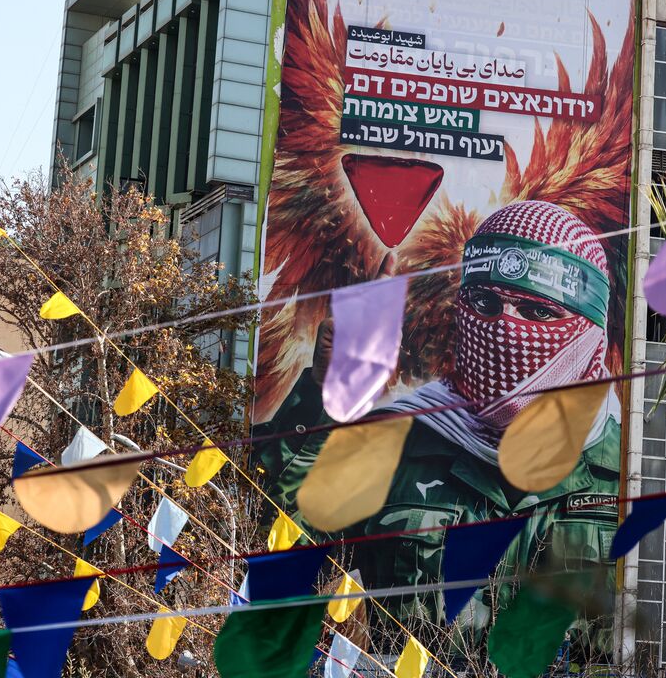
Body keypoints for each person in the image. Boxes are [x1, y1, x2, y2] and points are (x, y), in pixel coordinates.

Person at [252, 200, 621, 631]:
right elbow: (267, 551)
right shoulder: (396, 444)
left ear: (589, 334)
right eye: (484, 302)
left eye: (538, 312)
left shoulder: (629, 474)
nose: (505, 328)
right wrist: (325, 397)